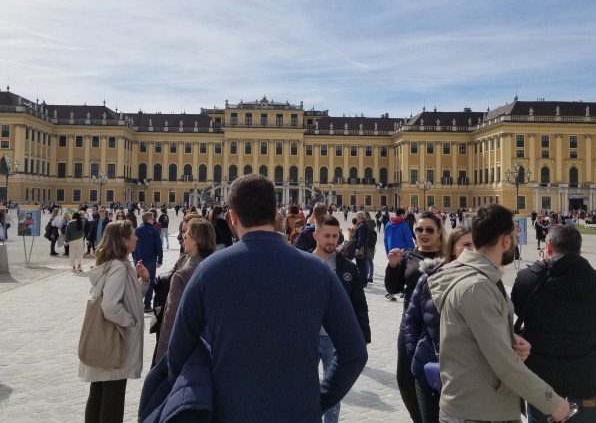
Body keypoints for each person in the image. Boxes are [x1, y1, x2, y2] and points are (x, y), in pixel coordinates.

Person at [162, 174, 368, 422]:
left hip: (228, 413)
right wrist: (319, 401)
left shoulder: (208, 270)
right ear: (275, 213)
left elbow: (176, 355)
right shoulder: (318, 271)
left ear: (232, 217)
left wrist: (198, 400)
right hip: (298, 413)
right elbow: (354, 353)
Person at [428, 204, 573, 422]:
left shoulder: (481, 279)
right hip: (477, 412)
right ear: (506, 241)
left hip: (480, 405)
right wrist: (553, 403)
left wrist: (509, 338)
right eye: (514, 237)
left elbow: (474, 333)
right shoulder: (476, 286)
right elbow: (504, 363)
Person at [511, 225, 596, 423]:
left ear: (549, 247)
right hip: (587, 381)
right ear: (579, 250)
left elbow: (519, 309)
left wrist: (539, 267)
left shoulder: (527, 280)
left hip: (542, 385)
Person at [79, 220, 150, 423]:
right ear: (123, 239)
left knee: (98, 393)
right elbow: (110, 306)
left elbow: (127, 297)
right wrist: (131, 321)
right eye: (133, 235)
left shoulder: (110, 265)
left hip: (103, 342)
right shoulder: (119, 267)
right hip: (115, 342)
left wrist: (143, 281)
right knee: (112, 399)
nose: (136, 238)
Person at [403, 226, 472, 423]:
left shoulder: (485, 281)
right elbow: (412, 320)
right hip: (430, 367)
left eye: (476, 246)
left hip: (467, 373)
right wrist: (416, 353)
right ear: (452, 249)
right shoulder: (430, 278)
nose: (472, 250)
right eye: (466, 245)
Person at [385, 211, 445, 423]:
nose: (423, 233)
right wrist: (392, 265)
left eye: (429, 229)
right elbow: (393, 288)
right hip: (410, 326)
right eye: (419, 229)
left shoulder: (448, 258)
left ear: (439, 232)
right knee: (405, 378)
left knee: (436, 377)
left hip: (439, 328)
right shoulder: (408, 256)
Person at [312, 214, 371, 423]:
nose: (331, 240)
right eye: (326, 235)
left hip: (335, 338)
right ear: (315, 236)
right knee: (305, 388)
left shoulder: (348, 267)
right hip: (307, 337)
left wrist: (362, 335)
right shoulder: (302, 265)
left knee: (335, 390)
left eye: (335, 236)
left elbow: (359, 304)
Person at [155, 218, 216, 360]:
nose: (183, 237)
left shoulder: (182, 275)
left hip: (186, 349)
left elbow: (171, 320)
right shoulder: (218, 269)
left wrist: (161, 358)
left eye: (186, 235)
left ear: (195, 241)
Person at [134, 212, 163, 313]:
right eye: (152, 218)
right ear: (148, 219)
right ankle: (147, 305)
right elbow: (159, 246)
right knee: (149, 282)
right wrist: (160, 260)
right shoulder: (154, 231)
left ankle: (136, 303)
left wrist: (134, 257)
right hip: (151, 260)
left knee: (138, 282)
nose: (154, 220)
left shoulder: (136, 230)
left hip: (138, 260)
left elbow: (133, 245)